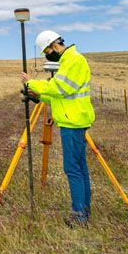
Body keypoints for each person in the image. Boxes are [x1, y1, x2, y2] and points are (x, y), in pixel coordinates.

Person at [20, 30, 95, 227]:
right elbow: (57, 95)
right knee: (80, 168)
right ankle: (84, 210)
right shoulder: (67, 62)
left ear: (54, 46)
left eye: (46, 51)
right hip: (73, 120)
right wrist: (37, 96)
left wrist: (31, 83)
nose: (47, 55)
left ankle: (79, 215)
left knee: (73, 168)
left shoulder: (74, 61)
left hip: (73, 122)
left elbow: (60, 89)